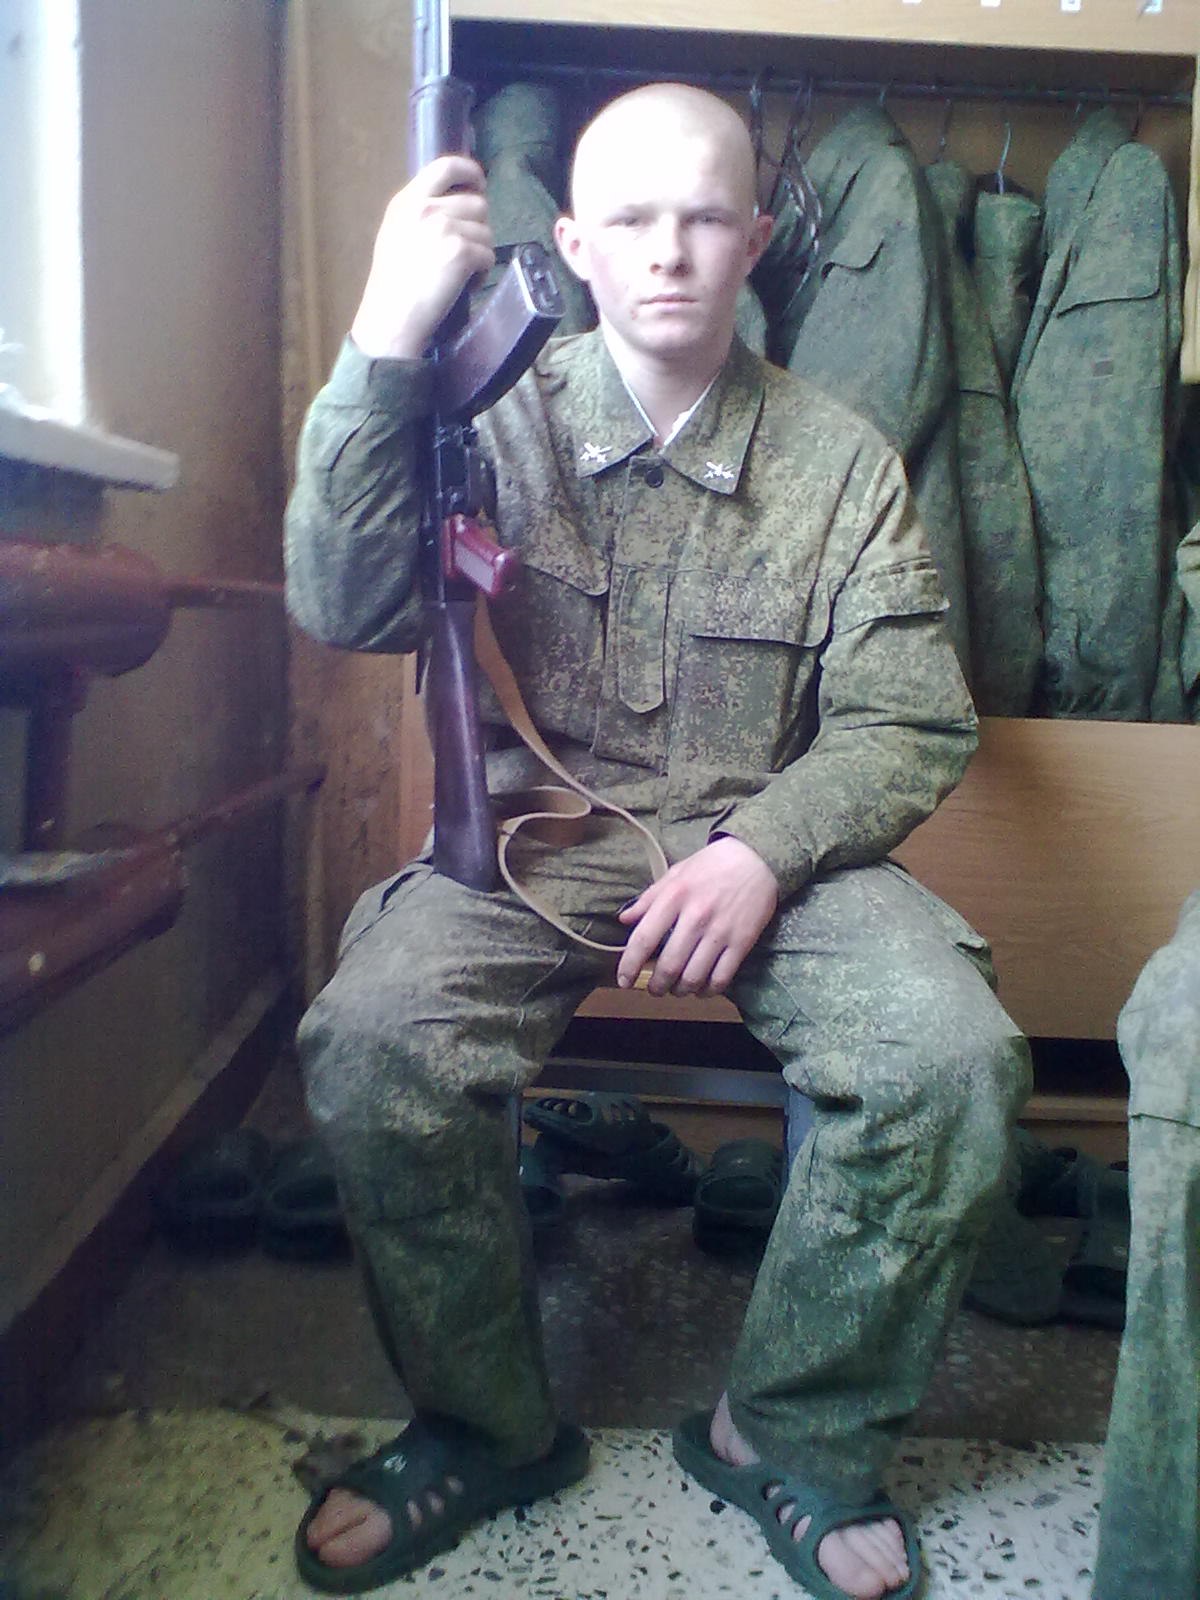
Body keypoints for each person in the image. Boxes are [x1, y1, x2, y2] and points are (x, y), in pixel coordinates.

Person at [284, 83, 1031, 1600]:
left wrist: (764, 849)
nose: (670, 252)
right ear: (572, 243)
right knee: (373, 1040)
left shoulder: (841, 462)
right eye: (631, 218)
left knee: (948, 1058)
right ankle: (485, 1428)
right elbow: (341, 604)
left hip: (769, 848)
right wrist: (381, 341)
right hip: (534, 844)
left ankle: (787, 1435)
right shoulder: (483, 416)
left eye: (705, 217)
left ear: (756, 238)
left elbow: (906, 720)